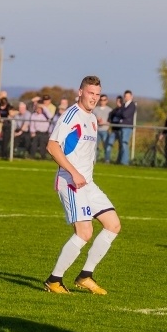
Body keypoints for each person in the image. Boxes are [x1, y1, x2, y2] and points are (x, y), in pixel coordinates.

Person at [44, 76, 121, 295]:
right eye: (90, 93)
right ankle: (54, 280)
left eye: (97, 94)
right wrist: (70, 172)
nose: (94, 98)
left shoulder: (93, 119)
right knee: (85, 232)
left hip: (87, 183)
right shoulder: (71, 115)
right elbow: (52, 146)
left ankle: (85, 276)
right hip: (72, 182)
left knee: (113, 224)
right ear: (80, 92)